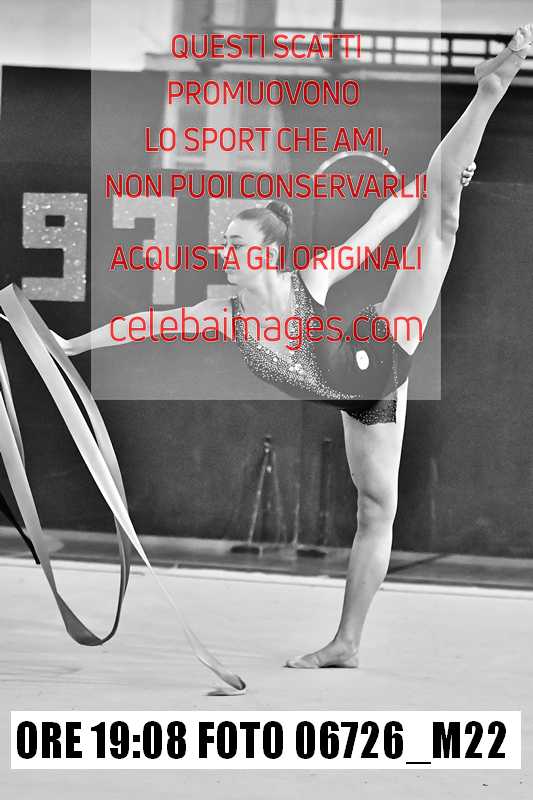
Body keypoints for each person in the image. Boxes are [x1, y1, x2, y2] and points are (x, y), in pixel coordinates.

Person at [56, 26, 532, 668]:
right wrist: (70, 343)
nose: (223, 250)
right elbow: (140, 326)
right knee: (374, 510)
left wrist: (435, 181)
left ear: (267, 252)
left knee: (442, 219)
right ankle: (347, 645)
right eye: (224, 241)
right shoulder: (223, 315)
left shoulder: (311, 279)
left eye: (235, 242)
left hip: (383, 345)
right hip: (359, 400)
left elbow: (382, 222)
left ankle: (490, 89)